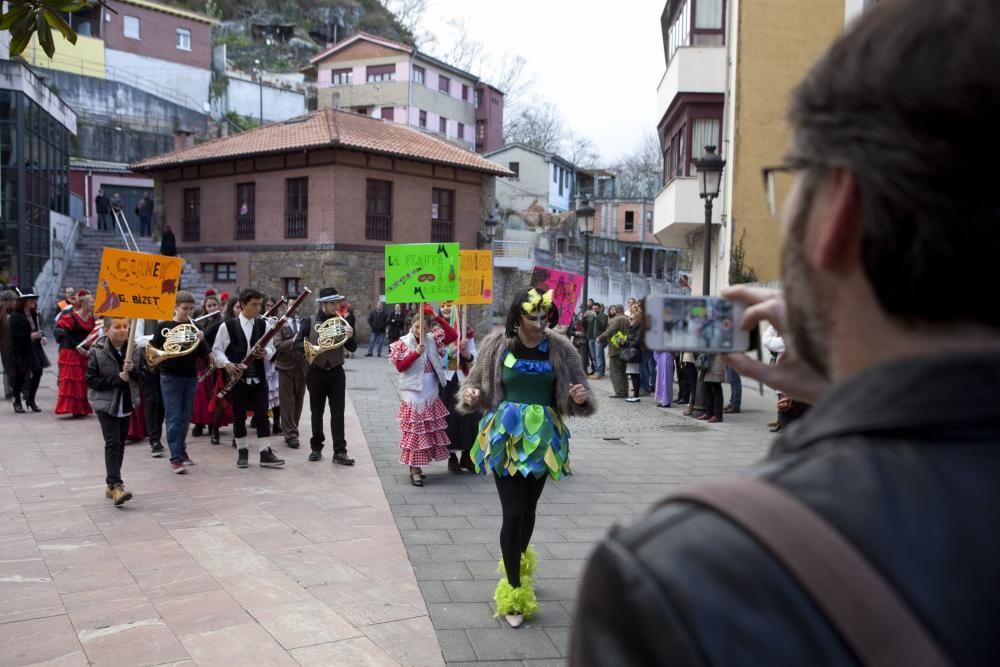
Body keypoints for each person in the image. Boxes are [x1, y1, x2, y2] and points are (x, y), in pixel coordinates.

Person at [572, 2, 1000, 663]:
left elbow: (827, 529)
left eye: (793, 179)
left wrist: (823, 437)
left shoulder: (678, 581)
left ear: (838, 208)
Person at [458, 287, 594, 628]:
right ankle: (514, 591)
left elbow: (579, 391)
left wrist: (579, 398)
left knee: (529, 510)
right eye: (532, 317)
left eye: (543, 317)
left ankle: (516, 562)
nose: (539, 322)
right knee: (513, 510)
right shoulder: (496, 345)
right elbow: (475, 386)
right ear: (517, 317)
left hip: (543, 439)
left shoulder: (560, 347)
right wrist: (472, 397)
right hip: (506, 435)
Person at [212, 288, 285, 470]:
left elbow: (271, 350)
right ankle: (242, 452)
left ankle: (265, 453)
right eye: (254, 304)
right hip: (238, 378)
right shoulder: (227, 326)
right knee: (239, 416)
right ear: (243, 304)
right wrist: (227, 364)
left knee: (262, 415)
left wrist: (265, 352)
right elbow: (217, 350)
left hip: (259, 377)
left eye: (259, 304)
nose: (258, 308)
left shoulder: (263, 325)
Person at [389, 304, 455, 486]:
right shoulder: (402, 343)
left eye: (424, 328)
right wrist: (415, 354)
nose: (420, 331)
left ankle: (419, 466)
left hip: (430, 390)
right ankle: (414, 469)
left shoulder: (433, 339)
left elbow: (453, 336)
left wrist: (437, 316)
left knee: (426, 431)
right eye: (417, 327)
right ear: (412, 325)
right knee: (415, 432)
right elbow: (400, 367)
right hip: (413, 392)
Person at [295, 287, 357, 464]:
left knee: (338, 413)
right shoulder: (309, 321)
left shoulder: (342, 321)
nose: (337, 306)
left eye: (338, 302)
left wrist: (351, 336)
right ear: (323, 304)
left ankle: (340, 451)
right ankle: (316, 448)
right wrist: (313, 350)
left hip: (337, 371)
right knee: (317, 412)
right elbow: (297, 344)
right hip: (316, 371)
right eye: (333, 303)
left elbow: (351, 348)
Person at [154, 290, 211, 473]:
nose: (188, 312)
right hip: (170, 376)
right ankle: (175, 457)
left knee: (186, 417)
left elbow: (203, 354)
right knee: (173, 417)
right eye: (184, 308)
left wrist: (201, 339)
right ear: (175, 307)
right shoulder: (165, 327)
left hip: (190, 376)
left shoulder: (195, 327)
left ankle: (182, 450)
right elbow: (155, 353)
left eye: (191, 309)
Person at [86, 317, 140, 506]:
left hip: (125, 403)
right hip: (105, 404)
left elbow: (142, 377)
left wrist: (133, 371)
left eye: (125, 326)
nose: (123, 330)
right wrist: (115, 379)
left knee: (120, 444)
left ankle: (111, 485)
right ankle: (116, 485)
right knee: (112, 442)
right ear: (107, 330)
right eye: (117, 327)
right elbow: (91, 380)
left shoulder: (133, 349)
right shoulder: (97, 351)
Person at [437, 302, 477, 474]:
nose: (446, 307)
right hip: (445, 380)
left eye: (449, 304)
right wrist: (446, 353)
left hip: (463, 379)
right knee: (449, 420)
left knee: (468, 416)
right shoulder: (435, 330)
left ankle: (467, 456)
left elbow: (474, 357)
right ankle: (451, 458)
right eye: (443, 304)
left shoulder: (466, 330)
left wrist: (466, 352)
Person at [54, 294, 96, 417]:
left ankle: (81, 408)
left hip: (84, 352)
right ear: (83, 304)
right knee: (72, 381)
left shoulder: (91, 318)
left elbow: (92, 335)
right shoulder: (72, 317)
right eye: (91, 302)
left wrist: (89, 348)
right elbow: (67, 335)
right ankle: (72, 408)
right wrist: (79, 348)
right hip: (70, 352)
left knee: (82, 381)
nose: (93, 305)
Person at [273, 301, 307, 449]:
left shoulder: (305, 322)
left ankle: (294, 428)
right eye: (291, 305)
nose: (294, 308)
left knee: (298, 400)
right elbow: (277, 345)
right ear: (286, 307)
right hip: (285, 366)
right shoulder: (280, 323)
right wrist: (293, 341)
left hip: (302, 366)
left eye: (297, 305)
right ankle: (290, 434)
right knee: (287, 401)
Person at [8, 287, 48, 413]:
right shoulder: (15, 316)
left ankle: (31, 399)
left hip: (34, 348)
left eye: (34, 299)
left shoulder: (35, 314)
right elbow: (15, 336)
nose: (33, 301)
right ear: (23, 301)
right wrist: (31, 336)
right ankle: (17, 401)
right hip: (21, 349)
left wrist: (43, 336)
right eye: (30, 299)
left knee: (38, 372)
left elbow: (39, 329)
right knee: (20, 376)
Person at [191, 292, 221, 438]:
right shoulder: (200, 321)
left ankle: (211, 423)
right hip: (200, 359)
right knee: (200, 393)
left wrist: (199, 330)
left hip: (213, 359)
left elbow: (207, 336)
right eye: (209, 305)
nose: (212, 308)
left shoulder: (220, 321)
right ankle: (199, 422)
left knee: (210, 392)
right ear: (205, 306)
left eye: (214, 305)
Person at [597, 304, 629, 399]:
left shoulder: (616, 320)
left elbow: (610, 330)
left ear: (616, 311)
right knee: (623, 371)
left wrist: (600, 337)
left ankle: (620, 392)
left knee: (615, 372)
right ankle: (625, 391)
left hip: (615, 348)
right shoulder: (627, 319)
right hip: (624, 348)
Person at [262, 296, 282, 435]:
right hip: (263, 361)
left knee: (276, 393)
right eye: (267, 306)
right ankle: (263, 421)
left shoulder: (280, 321)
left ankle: (276, 422)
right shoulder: (260, 321)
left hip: (276, 360)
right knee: (265, 393)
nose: (269, 308)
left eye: (272, 305)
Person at [623, 307, 644, 403]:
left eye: (632, 319)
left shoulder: (639, 329)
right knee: (633, 375)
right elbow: (630, 339)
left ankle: (636, 395)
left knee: (635, 375)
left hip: (635, 354)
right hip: (631, 353)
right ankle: (635, 394)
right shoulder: (632, 328)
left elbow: (636, 342)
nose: (630, 320)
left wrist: (626, 341)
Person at [699, 353, 725, 423]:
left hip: (717, 365)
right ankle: (709, 413)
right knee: (708, 389)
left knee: (717, 389)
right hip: (710, 366)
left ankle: (718, 415)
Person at [0, 289, 16, 399]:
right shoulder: (2, 310)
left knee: (11, 367)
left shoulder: (13, 310)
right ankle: (12, 389)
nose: (15, 303)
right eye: (13, 300)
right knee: (9, 367)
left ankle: (13, 389)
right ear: (8, 301)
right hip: (5, 344)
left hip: (9, 343)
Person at [588, 303, 608, 379]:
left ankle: (599, 372)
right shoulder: (590, 316)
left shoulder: (604, 316)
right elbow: (586, 325)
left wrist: (596, 317)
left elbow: (602, 327)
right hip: (590, 338)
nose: (594, 310)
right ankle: (598, 371)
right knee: (593, 356)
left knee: (598, 356)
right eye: (593, 308)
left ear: (600, 309)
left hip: (598, 338)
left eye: (596, 308)